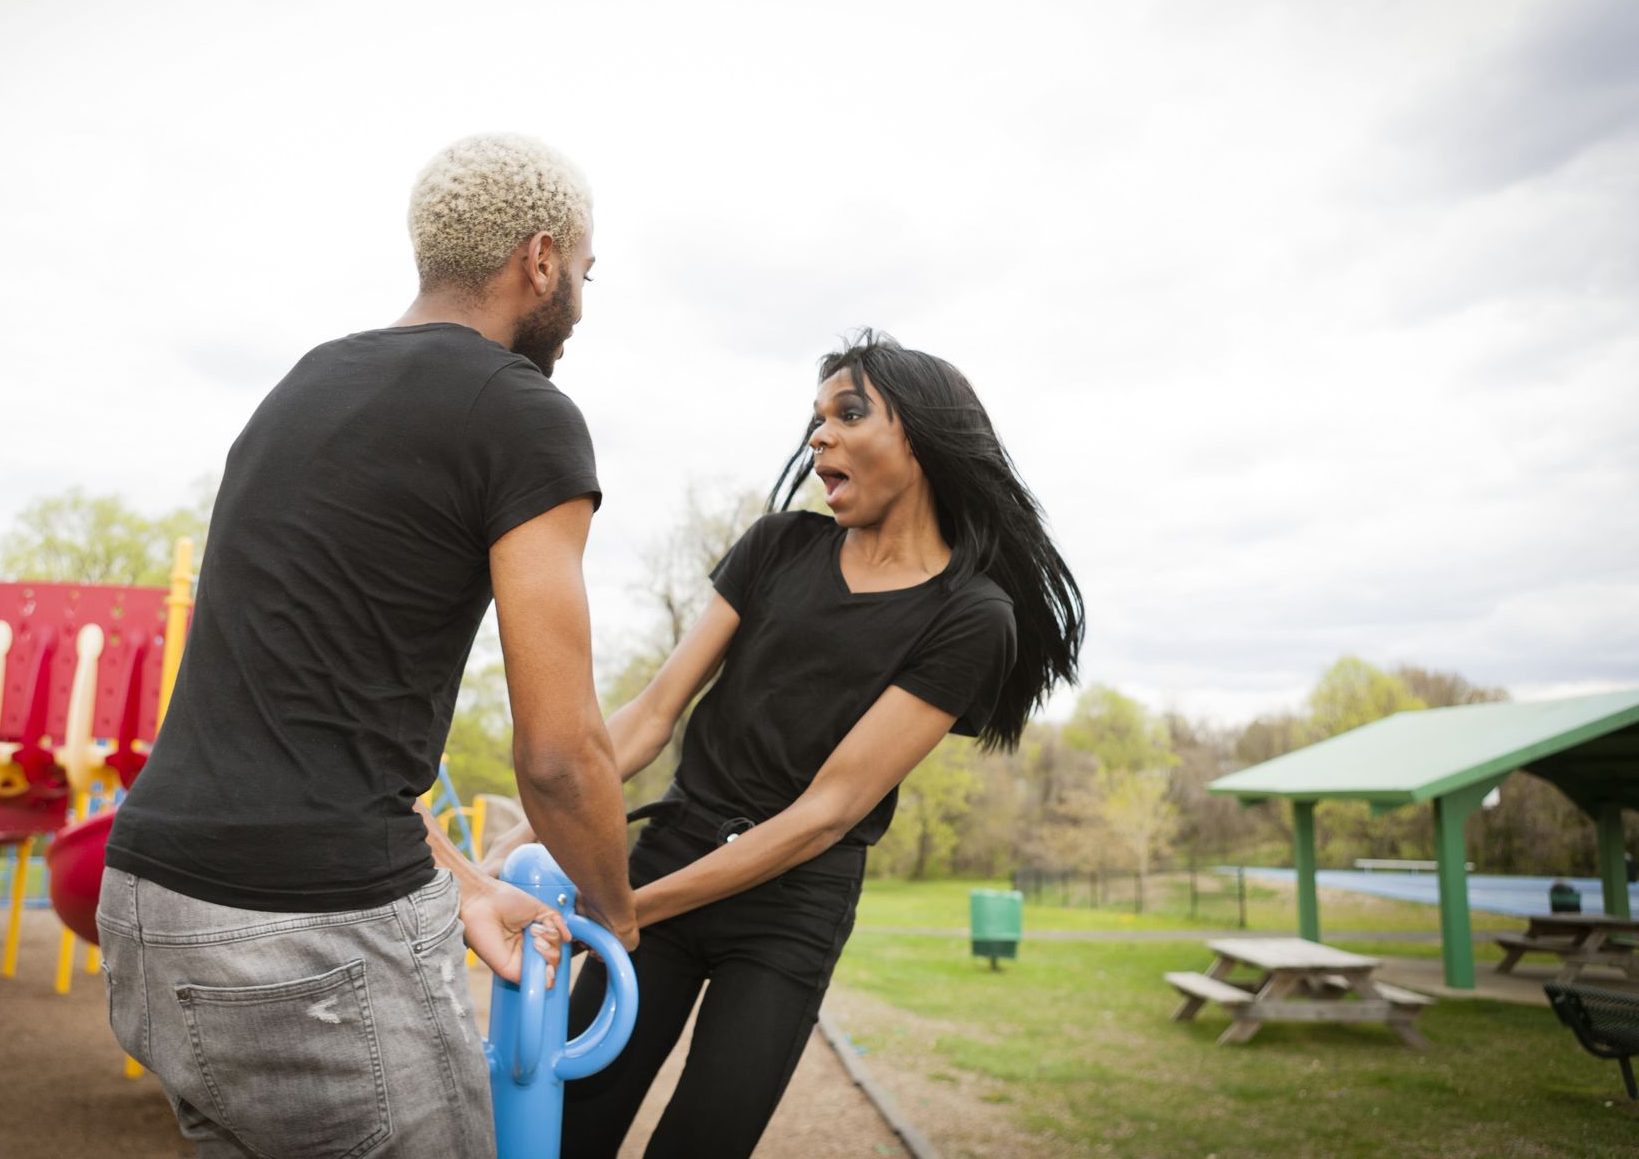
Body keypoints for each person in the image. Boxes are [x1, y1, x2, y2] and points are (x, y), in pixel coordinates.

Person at [99, 133, 637, 1159]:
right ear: (540, 258)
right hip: (302, 932)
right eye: (584, 270)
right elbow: (562, 754)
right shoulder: (524, 415)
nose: (578, 295)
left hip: (148, 897)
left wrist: (468, 883)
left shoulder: (303, 387)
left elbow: (293, 731)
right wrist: (619, 910)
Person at [509, 329, 1085, 1158]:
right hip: (671, 852)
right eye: (815, 418)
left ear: (919, 438)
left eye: (850, 413)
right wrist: (534, 832)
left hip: (792, 907)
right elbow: (649, 716)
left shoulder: (971, 615)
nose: (819, 435)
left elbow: (825, 813)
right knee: (573, 1130)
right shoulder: (778, 546)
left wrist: (628, 909)